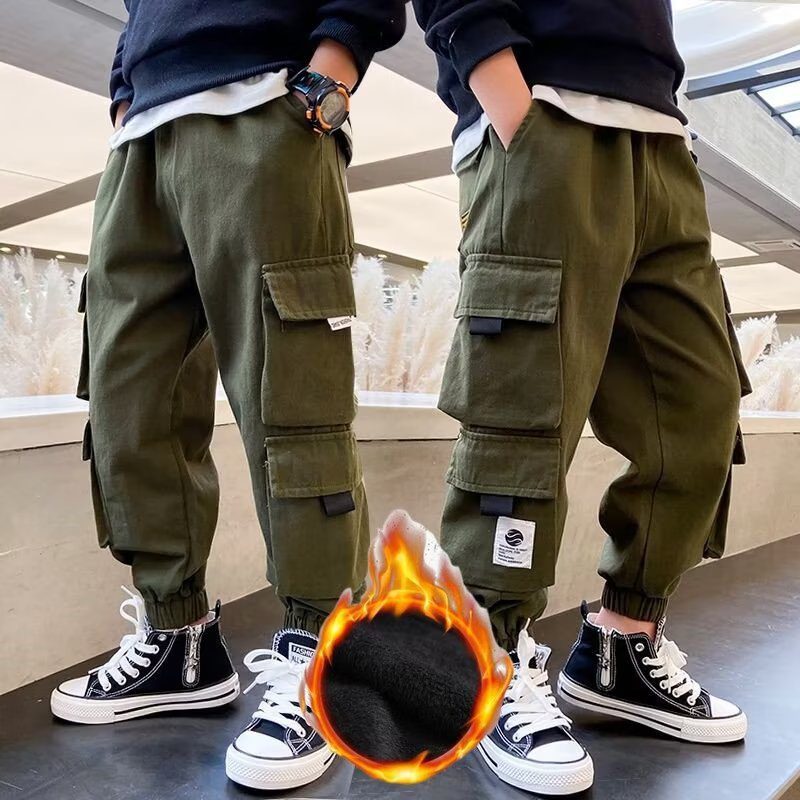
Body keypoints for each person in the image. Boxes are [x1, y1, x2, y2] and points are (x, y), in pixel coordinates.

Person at [49, 0, 406, 792]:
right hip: (143, 137)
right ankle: (178, 643)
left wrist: (330, 72)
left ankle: (322, 655)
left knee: (294, 402)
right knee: (128, 401)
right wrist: (125, 96)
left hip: (266, 105)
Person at [411, 0, 751, 794]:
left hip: (660, 141)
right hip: (542, 116)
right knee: (521, 414)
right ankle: (483, 661)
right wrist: (505, 93)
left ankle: (622, 647)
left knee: (699, 408)